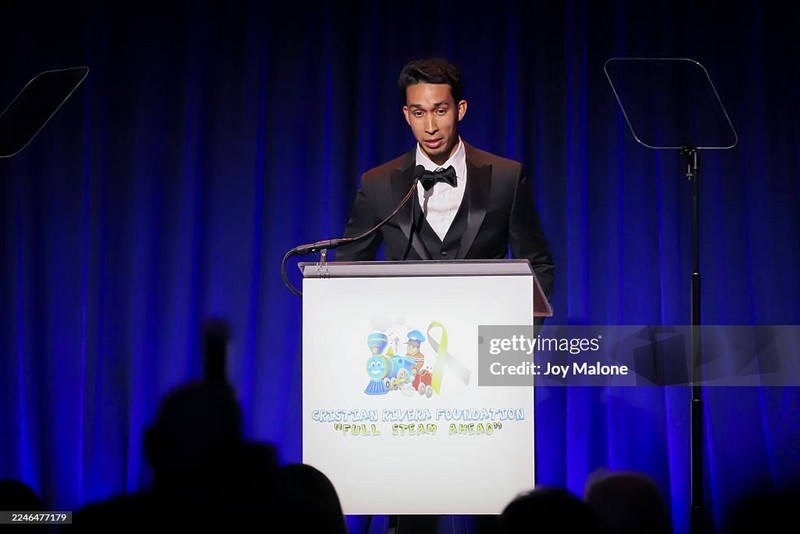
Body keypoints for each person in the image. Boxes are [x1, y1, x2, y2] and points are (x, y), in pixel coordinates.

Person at [335, 57, 555, 304]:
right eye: (419, 113)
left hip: (483, 325)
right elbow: (347, 269)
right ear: (407, 115)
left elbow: (538, 265)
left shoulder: (506, 177)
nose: (430, 127)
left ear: (460, 110)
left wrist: (512, 328)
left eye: (440, 111)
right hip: (407, 325)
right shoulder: (378, 183)